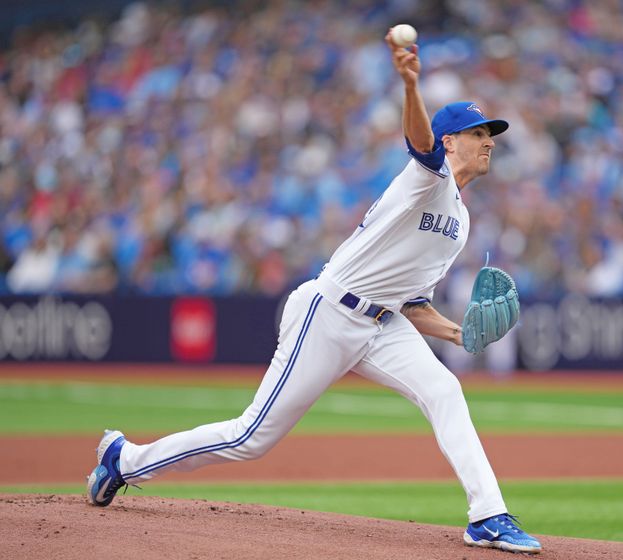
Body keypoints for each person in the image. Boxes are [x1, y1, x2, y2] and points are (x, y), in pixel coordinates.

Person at [87, 29, 542, 555]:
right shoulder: (428, 179)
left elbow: (413, 302)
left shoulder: (460, 222)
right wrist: (410, 84)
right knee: (250, 439)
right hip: (329, 311)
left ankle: (487, 516)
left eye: (492, 133)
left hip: (384, 323)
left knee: (445, 392)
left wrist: (457, 333)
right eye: (477, 131)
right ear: (449, 141)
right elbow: (418, 139)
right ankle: (124, 459)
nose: (489, 140)